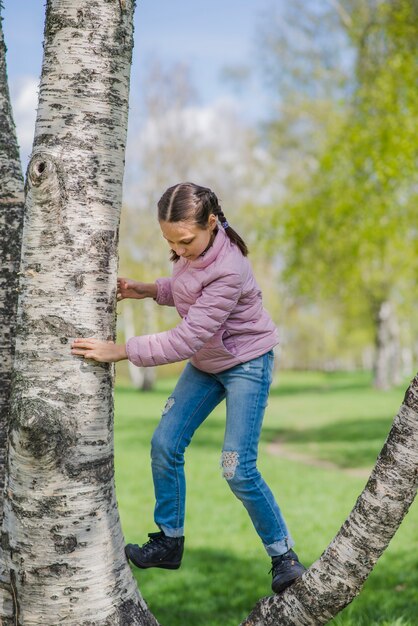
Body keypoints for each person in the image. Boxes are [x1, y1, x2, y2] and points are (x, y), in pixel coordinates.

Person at [71, 182, 306, 593]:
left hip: (246, 363)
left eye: (185, 241)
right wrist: (147, 289)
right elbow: (185, 290)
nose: (178, 250)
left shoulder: (231, 268)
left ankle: (283, 555)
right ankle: (169, 540)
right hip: (207, 364)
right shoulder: (190, 254)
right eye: (170, 242)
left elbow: (187, 337)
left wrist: (122, 350)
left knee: (238, 469)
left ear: (211, 223)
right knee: (164, 443)